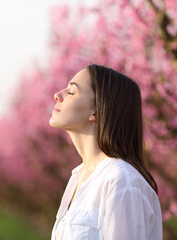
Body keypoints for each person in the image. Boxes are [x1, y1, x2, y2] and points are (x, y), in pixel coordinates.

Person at [49, 64, 163, 240]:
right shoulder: (78, 176)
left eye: (71, 92)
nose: (57, 95)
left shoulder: (122, 181)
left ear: (97, 110)